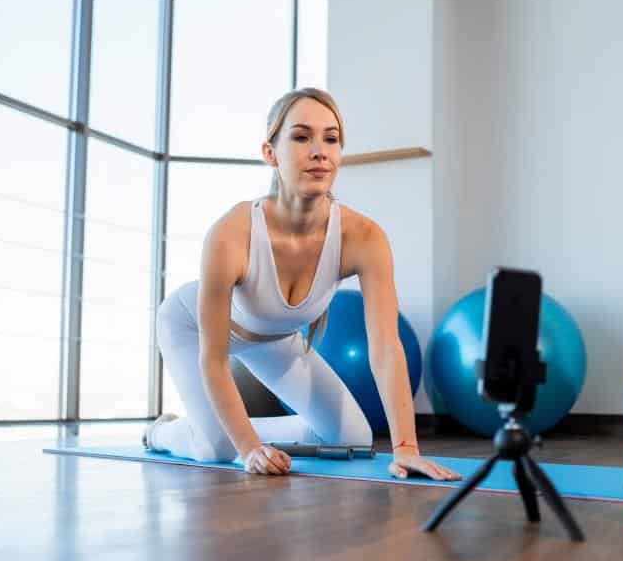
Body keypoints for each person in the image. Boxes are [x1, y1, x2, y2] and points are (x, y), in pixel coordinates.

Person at [145, 87, 460, 482]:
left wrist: (406, 449)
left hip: (276, 339)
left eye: (331, 138)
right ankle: (163, 430)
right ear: (269, 152)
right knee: (218, 449)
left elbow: (385, 346)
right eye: (300, 136)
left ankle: (219, 425)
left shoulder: (364, 237)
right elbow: (213, 357)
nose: (319, 150)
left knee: (353, 437)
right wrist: (248, 449)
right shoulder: (233, 231)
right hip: (193, 329)